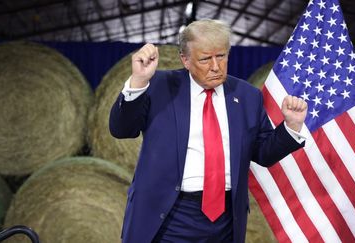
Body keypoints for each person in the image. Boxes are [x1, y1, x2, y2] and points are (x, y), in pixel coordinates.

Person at [109, 19, 308, 243]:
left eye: (221, 56)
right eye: (205, 59)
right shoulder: (159, 86)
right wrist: (138, 80)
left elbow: (263, 153)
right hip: (168, 216)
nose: (215, 66)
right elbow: (122, 129)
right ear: (185, 60)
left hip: (224, 221)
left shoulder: (247, 96)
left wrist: (291, 126)